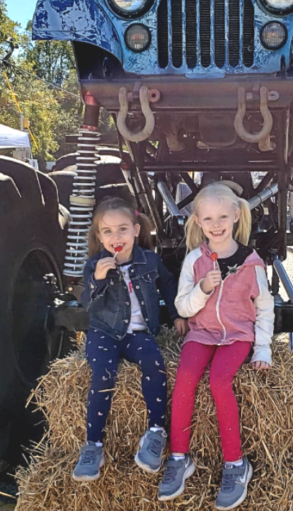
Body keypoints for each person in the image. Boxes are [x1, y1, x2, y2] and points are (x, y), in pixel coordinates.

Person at [158, 183, 275, 510]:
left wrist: (263, 348)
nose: (217, 224)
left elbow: (265, 307)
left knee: (219, 381)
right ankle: (180, 457)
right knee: (184, 378)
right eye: (208, 218)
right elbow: (182, 307)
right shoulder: (194, 261)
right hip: (202, 333)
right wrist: (203, 290)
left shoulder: (251, 263)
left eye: (223, 216)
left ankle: (236, 465)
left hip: (237, 336)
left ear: (236, 215)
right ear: (197, 221)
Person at [73, 197, 188, 482]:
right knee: (103, 373)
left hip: (139, 332)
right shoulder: (94, 265)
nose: (116, 237)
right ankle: (93, 445)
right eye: (108, 231)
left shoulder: (150, 261)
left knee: (155, 364)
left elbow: (169, 284)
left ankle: (156, 432)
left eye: (123, 229)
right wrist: (98, 280)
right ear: (99, 236)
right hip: (104, 333)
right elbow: (88, 304)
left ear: (137, 230)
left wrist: (177, 315)